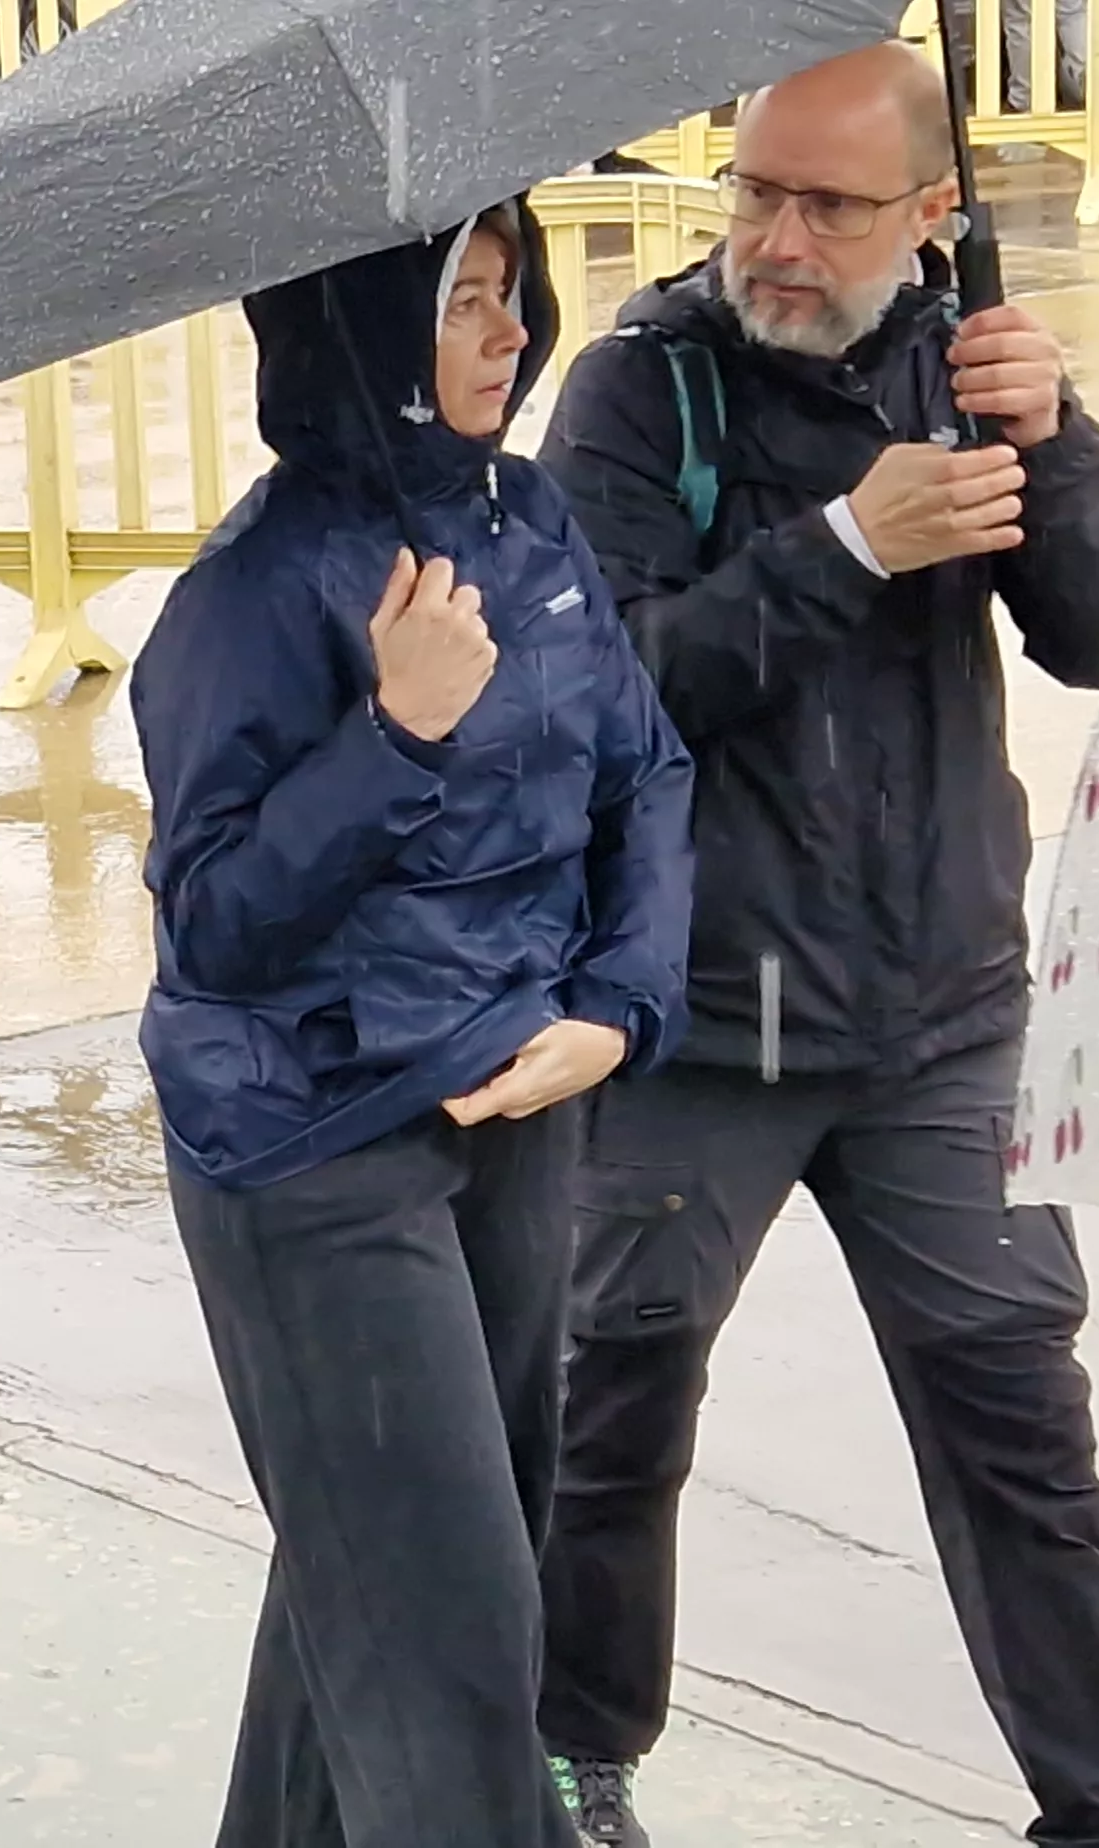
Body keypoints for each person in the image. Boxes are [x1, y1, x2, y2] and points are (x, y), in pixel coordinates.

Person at [531, 45, 1099, 1848]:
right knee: (615, 1403)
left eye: (826, 204)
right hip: (694, 1019)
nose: (777, 236)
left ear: (932, 215)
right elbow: (598, 704)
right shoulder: (635, 388)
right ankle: (578, 1757)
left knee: (1022, 1428)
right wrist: (840, 544)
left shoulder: (971, 367)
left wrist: (1051, 449)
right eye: (755, 191)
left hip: (942, 1016)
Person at [134, 204, 694, 1847]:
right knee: (452, 1655)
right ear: (364, 329)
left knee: (393, 1586)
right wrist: (397, 730)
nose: (509, 335)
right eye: (464, 302)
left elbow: (644, 768)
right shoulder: (250, 588)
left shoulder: (531, 522)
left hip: (516, 1101)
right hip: (311, 1144)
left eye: (514, 295)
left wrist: (622, 1005)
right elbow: (220, 918)